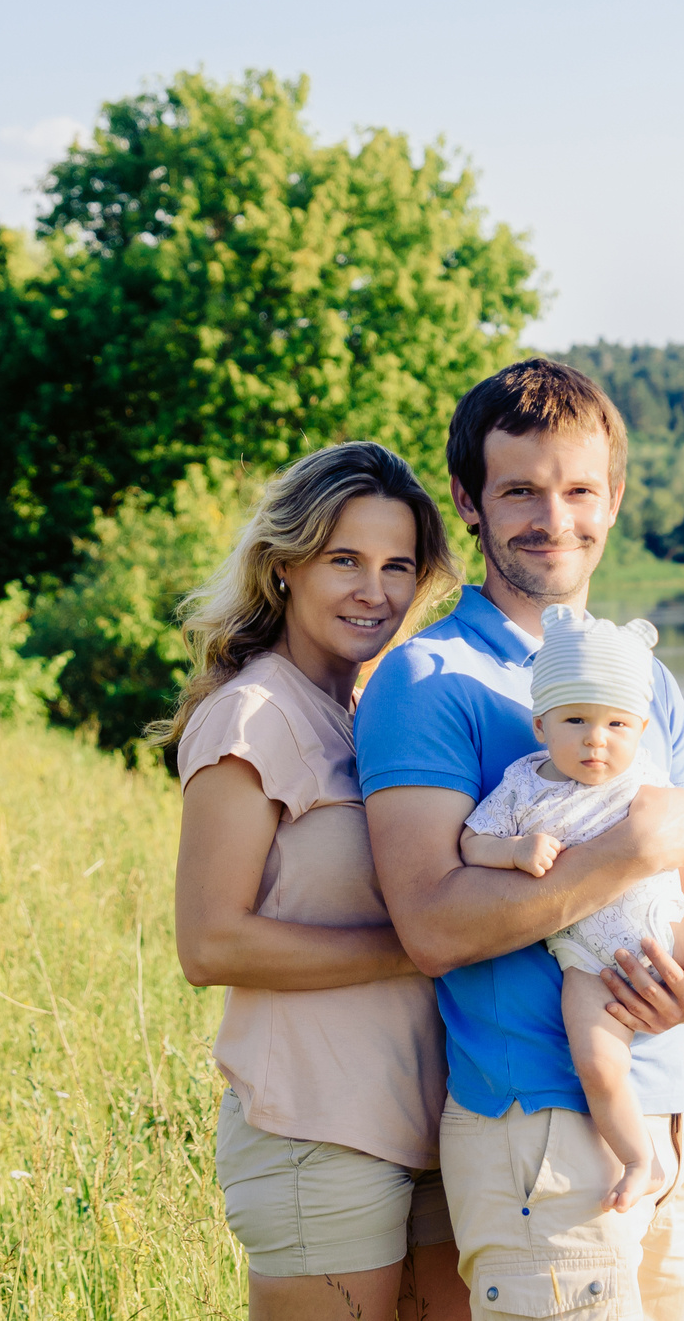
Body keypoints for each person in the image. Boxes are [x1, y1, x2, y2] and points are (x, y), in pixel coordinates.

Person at [359, 359, 684, 1321]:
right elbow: (433, 926)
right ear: (467, 501)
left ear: (613, 498)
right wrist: (624, 853)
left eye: (578, 489)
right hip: (532, 1122)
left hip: (658, 1113)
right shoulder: (427, 678)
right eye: (519, 489)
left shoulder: (641, 682)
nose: (553, 516)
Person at [167, 442, 470, 1321]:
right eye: (345, 560)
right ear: (286, 564)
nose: (373, 589)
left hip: (430, 1128)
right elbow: (209, 941)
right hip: (316, 1134)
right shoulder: (251, 714)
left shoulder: (369, 714)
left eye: (396, 565)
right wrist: (423, 940)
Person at [460, 604, 684, 1212]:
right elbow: (471, 841)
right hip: (584, 958)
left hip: (663, 922)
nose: (597, 740)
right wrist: (515, 851)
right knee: (598, 1065)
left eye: (618, 726)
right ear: (542, 724)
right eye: (576, 721)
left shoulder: (640, 774)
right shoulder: (522, 784)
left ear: (640, 728)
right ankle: (637, 1160)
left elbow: (681, 808)